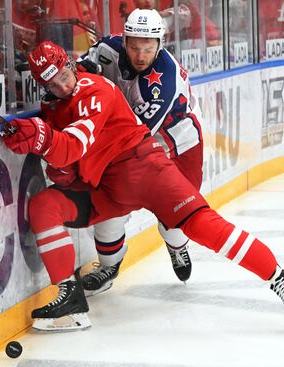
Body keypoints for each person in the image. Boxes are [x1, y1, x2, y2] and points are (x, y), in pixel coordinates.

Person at [0, 40, 284, 332]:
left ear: (71, 64)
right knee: (44, 205)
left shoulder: (94, 89)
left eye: (64, 75)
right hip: (108, 187)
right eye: (52, 84)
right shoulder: (54, 106)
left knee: (202, 227)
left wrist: (40, 137)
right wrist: (48, 149)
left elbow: (72, 145)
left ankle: (283, 280)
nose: (62, 86)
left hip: (144, 170)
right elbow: (66, 162)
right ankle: (71, 301)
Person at [75, 8, 203, 295]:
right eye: (134, 47)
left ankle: (176, 245)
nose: (141, 56)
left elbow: (132, 137)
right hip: (128, 138)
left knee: (176, 214)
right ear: (125, 40)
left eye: (148, 48)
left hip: (176, 142)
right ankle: (109, 265)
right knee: (107, 203)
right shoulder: (108, 47)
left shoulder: (162, 82)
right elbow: (77, 71)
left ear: (160, 43)